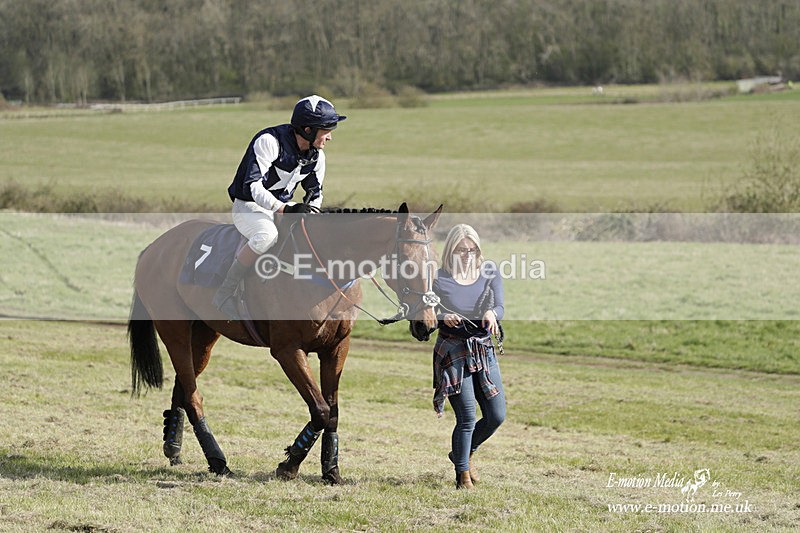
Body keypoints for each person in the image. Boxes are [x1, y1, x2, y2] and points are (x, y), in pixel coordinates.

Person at [213, 95, 347, 318]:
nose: (330, 137)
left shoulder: (317, 157)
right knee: (267, 236)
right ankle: (226, 291)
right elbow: (253, 186)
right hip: (249, 205)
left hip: (282, 206)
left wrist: (311, 216)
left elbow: (315, 193)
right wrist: (285, 210)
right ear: (307, 130)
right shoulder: (269, 141)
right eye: (326, 130)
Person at [431, 224, 506, 489]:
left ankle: (461, 453)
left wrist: (492, 314)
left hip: (483, 350)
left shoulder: (489, 272)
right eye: (461, 250)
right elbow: (423, 315)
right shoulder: (437, 278)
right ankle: (462, 476)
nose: (467, 254)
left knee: (497, 415)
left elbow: (500, 306)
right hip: (453, 351)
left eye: (472, 249)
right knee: (466, 417)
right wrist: (442, 316)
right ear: (451, 250)